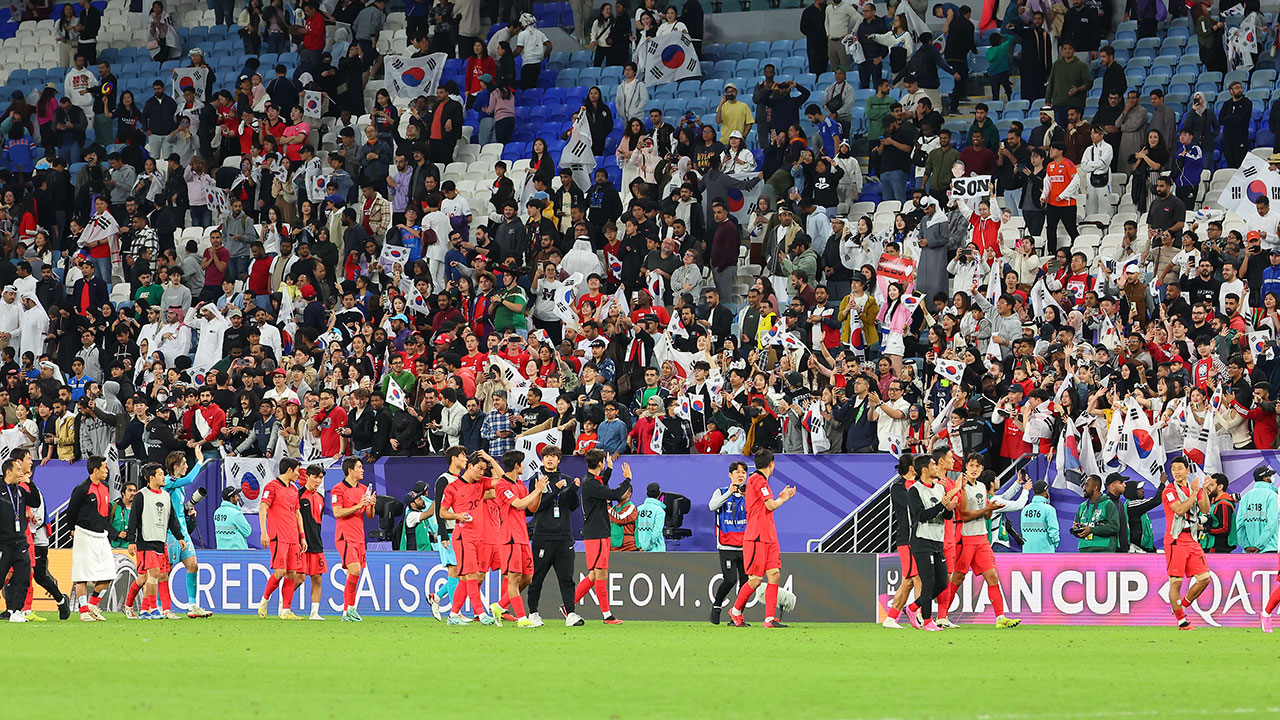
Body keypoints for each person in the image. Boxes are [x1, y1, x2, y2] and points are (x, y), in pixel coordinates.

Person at [728, 449, 795, 629]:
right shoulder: (757, 480)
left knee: (774, 574)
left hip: (769, 535)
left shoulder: (759, 481)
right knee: (756, 579)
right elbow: (771, 505)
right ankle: (735, 612)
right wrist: (784, 498)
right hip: (757, 536)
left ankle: (769, 619)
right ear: (771, 463)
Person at [440, 450, 501, 625]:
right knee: (472, 575)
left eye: (484, 469)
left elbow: (505, 481)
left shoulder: (482, 484)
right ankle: (481, 613)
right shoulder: (452, 487)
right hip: (463, 536)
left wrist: (490, 460)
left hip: (479, 537)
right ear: (469, 466)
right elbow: (442, 512)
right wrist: (457, 516)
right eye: (479, 468)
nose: (482, 472)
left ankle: (453, 615)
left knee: (470, 578)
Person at [525, 445, 584, 627]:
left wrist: (573, 490)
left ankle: (571, 613)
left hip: (564, 537)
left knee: (567, 578)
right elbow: (536, 507)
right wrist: (557, 491)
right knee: (537, 578)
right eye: (546, 457)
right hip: (543, 535)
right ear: (542, 460)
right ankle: (533, 613)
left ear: (559, 460)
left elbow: (573, 506)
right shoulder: (536, 480)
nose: (550, 459)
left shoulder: (565, 479)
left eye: (553, 456)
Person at [572, 449, 630, 624]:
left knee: (594, 574)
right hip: (596, 533)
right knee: (600, 572)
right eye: (603, 462)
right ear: (599, 464)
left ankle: (568, 606)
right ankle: (607, 615)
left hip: (599, 531)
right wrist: (627, 479)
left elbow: (602, 484)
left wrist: (610, 470)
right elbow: (613, 494)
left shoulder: (592, 481)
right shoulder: (590, 483)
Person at [489, 450, 545, 628]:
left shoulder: (520, 484)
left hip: (522, 536)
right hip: (509, 537)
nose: (524, 465)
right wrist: (536, 490)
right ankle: (522, 618)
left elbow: (532, 508)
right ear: (516, 465)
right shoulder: (502, 486)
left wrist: (540, 491)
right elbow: (519, 504)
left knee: (527, 578)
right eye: (522, 462)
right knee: (513, 578)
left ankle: (499, 606)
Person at [126, 462, 188, 620]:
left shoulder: (166, 496)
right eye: (160, 474)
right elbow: (133, 519)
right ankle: (153, 608)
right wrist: (131, 540)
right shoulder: (142, 495)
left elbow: (172, 519)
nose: (163, 477)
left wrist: (180, 537)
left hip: (161, 540)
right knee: (152, 574)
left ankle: (150, 610)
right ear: (151, 477)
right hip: (145, 541)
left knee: (159, 576)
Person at [905, 453, 957, 631]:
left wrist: (949, 508)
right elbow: (921, 516)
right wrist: (942, 505)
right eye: (934, 464)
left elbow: (946, 516)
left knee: (942, 583)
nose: (937, 467)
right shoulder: (914, 491)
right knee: (928, 582)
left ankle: (912, 608)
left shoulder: (939, 488)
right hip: (922, 540)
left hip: (937, 540)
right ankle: (927, 621)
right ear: (924, 470)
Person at [161, 450, 214, 618]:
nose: (187, 466)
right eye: (184, 463)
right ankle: (160, 607)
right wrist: (200, 461)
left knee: (193, 566)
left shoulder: (179, 487)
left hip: (183, 533)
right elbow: (190, 479)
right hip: (170, 533)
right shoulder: (169, 481)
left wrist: (187, 511)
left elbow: (176, 509)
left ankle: (192, 606)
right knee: (164, 572)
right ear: (175, 466)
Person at [1162, 458, 1211, 630]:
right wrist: (1193, 493)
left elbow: (1205, 509)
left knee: (1205, 579)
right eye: (1173, 469)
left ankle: (1181, 605)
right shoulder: (1169, 490)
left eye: (1180, 468)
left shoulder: (1193, 488)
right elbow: (1180, 509)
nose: (1176, 472)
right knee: (1176, 582)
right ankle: (1181, 620)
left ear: (1187, 470)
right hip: (1176, 540)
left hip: (1192, 539)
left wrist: (1203, 491)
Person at [256, 457, 305, 620]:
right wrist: (264, 532)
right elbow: (263, 508)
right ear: (289, 470)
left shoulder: (294, 489)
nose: (299, 473)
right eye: (297, 470)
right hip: (278, 537)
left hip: (293, 538)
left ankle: (285, 610)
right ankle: (265, 599)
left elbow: (297, 513)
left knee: (292, 573)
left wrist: (302, 536)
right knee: (280, 571)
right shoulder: (272, 487)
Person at [67, 454, 113, 621]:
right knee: (82, 576)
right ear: (95, 470)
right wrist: (72, 529)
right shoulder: (82, 489)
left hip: (101, 536)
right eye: (104, 467)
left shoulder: (106, 486)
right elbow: (71, 512)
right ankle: (84, 611)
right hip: (84, 535)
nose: (107, 470)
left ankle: (93, 604)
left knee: (108, 574)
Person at [332, 456, 375, 621]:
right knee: (355, 570)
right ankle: (350, 608)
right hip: (345, 536)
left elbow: (369, 516)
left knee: (355, 573)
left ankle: (346, 612)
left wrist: (371, 505)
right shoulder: (338, 489)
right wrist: (358, 505)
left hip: (359, 536)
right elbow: (337, 513)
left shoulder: (364, 489)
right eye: (359, 467)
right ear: (350, 470)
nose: (362, 470)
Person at [883, 454, 922, 628]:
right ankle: (921, 615)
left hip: (918, 537)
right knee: (917, 577)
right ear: (912, 468)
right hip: (906, 538)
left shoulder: (918, 485)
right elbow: (910, 504)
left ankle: (891, 618)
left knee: (908, 581)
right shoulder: (897, 487)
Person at [428, 446, 467, 619]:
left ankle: (436, 597)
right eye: (463, 456)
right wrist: (443, 534)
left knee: (460, 573)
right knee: (454, 570)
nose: (465, 460)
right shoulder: (443, 480)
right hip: (448, 531)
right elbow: (439, 508)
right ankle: (455, 613)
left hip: (460, 531)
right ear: (454, 459)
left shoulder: (462, 480)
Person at [0, 458, 37, 623]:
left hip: (20, 542)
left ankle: (16, 611)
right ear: (9, 472)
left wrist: (30, 483)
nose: (22, 473)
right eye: (19, 470)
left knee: (23, 577)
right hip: (3, 542)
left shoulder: (20, 490)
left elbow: (35, 501)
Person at [298, 464, 328, 620]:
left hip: (316, 544)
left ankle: (314, 613)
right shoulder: (298, 495)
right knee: (299, 578)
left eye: (321, 478)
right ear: (307, 477)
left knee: (317, 578)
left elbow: (318, 522)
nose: (318, 481)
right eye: (315, 477)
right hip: (301, 544)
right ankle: (284, 604)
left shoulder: (321, 498)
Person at [1235, 466, 1279, 553]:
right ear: (1265, 478)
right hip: (1268, 549)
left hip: (1248, 552)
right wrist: (1259, 546)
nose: (1272, 478)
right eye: (1270, 476)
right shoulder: (1272, 496)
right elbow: (1271, 524)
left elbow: (1239, 525)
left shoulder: (1245, 497)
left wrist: (1246, 546)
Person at [1019, 480, 1059, 552]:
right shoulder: (1049, 509)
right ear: (1046, 492)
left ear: (1034, 492)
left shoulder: (1025, 510)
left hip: (1027, 550)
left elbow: (1023, 530)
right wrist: (1055, 544)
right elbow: (1053, 531)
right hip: (1045, 551)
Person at [635, 482, 666, 552]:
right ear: (659, 494)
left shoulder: (638, 509)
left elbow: (635, 530)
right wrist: (647, 547)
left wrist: (640, 547)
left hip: (640, 550)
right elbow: (657, 532)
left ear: (646, 494)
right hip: (656, 551)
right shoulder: (659, 511)